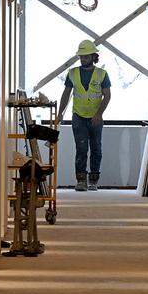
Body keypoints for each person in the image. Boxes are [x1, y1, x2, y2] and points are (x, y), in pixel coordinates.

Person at [58, 39, 111, 191]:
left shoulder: (102, 74)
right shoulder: (72, 73)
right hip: (79, 116)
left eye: (86, 57)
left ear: (93, 56)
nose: (83, 59)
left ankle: (93, 180)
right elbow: (66, 94)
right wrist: (60, 112)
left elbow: (107, 96)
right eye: (81, 57)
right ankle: (81, 180)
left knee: (96, 149)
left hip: (95, 118)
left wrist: (99, 114)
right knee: (81, 149)